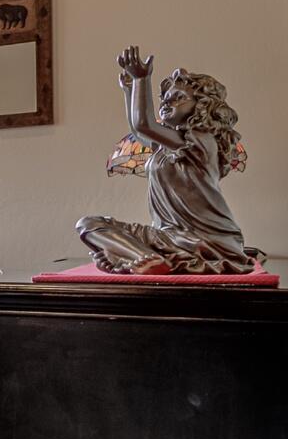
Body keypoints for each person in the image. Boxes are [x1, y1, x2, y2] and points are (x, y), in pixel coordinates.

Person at [76, 46, 255, 274]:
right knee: (88, 224)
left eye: (178, 98)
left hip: (203, 239)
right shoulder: (167, 146)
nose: (167, 103)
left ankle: (136, 256)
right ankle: (145, 258)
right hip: (168, 234)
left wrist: (142, 79)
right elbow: (139, 131)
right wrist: (129, 89)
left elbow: (145, 125)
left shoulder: (201, 141)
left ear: (203, 105)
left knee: (104, 238)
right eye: (165, 99)